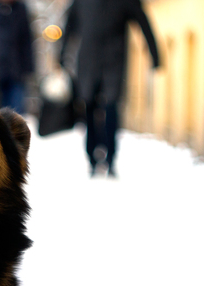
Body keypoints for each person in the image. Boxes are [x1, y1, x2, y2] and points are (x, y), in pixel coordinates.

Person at [61, 0, 159, 177]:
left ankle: (110, 158)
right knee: (90, 107)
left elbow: (142, 21)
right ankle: (92, 156)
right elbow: (69, 24)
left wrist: (155, 54)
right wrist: (60, 55)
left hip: (113, 61)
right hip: (89, 61)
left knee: (110, 107)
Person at [0, 0, 35, 114]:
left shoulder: (20, 9)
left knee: (15, 112)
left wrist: (28, 69)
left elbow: (26, 40)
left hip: (15, 70)